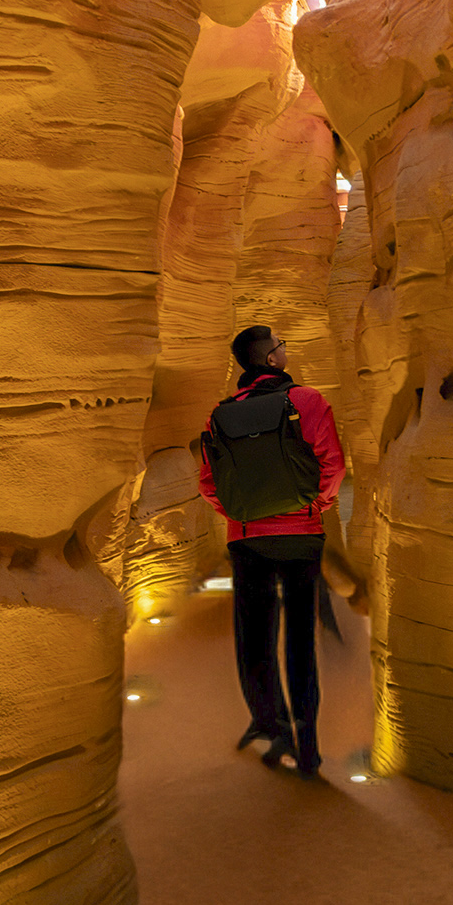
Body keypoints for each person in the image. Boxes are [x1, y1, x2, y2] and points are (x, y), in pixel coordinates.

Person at [196, 323, 345, 778]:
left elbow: (208, 483)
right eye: (281, 345)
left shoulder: (218, 415)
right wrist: (314, 507)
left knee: (254, 637)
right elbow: (332, 465)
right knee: (300, 638)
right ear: (272, 360)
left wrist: (242, 518)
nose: (286, 350)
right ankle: (307, 744)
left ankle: (270, 725)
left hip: (247, 540)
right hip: (300, 535)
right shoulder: (307, 402)